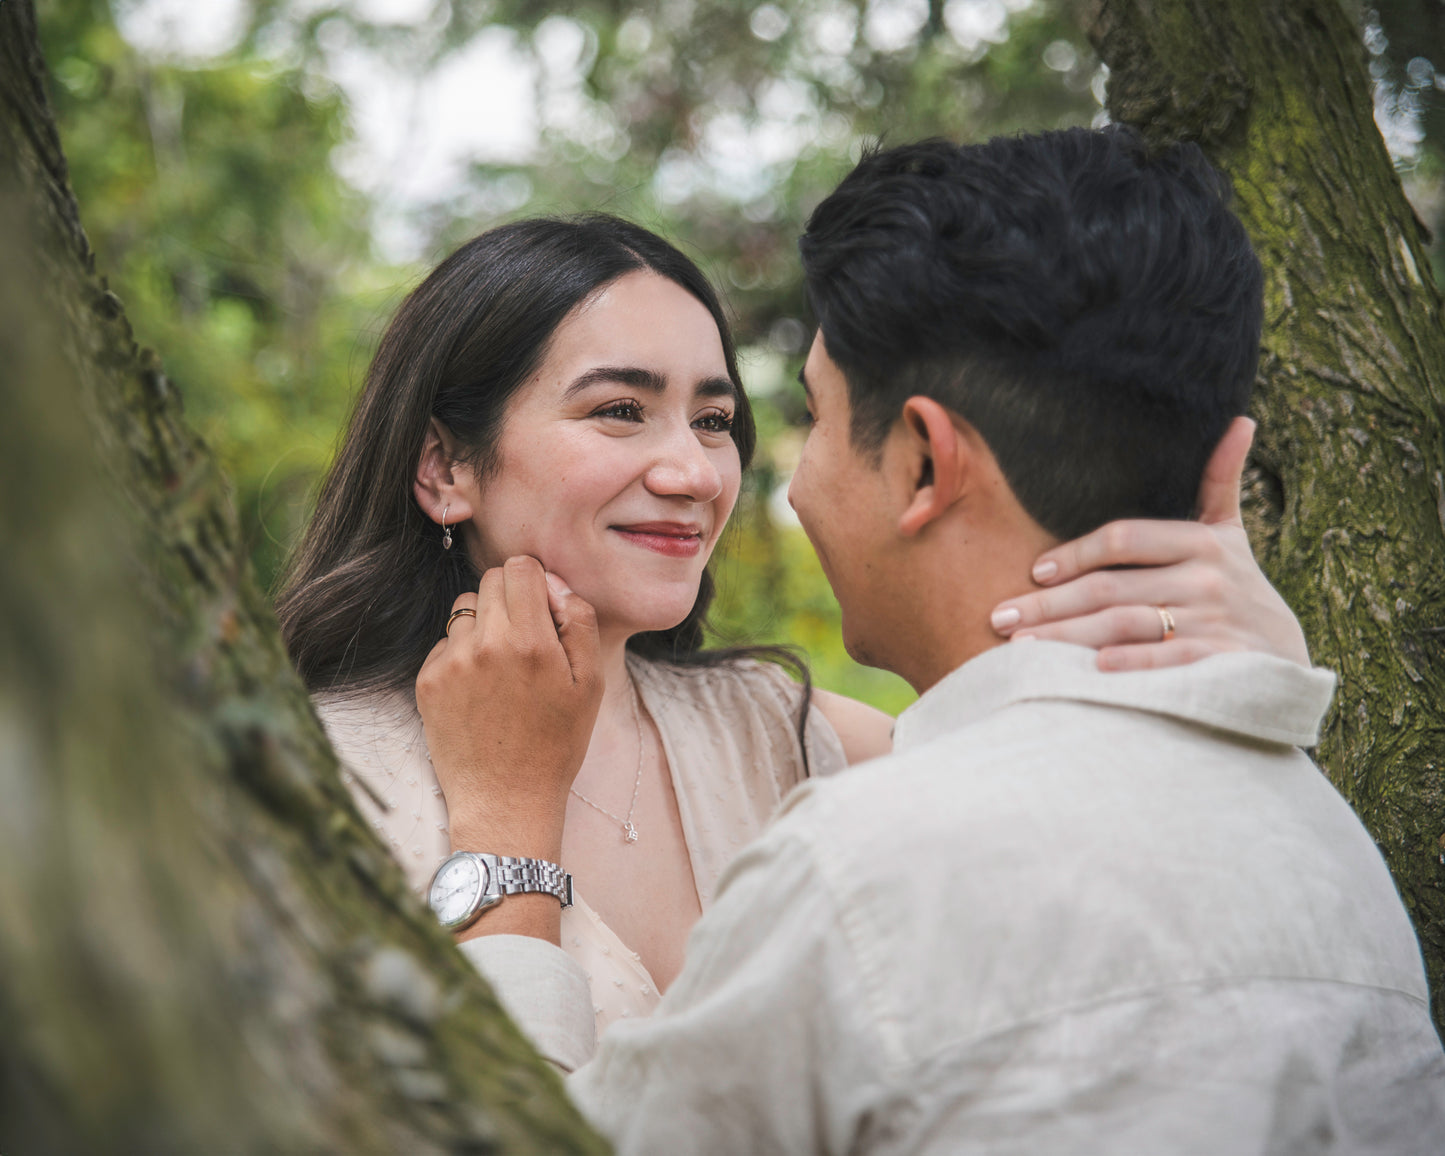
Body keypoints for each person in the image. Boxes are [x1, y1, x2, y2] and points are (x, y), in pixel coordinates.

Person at [424, 129, 1445, 1153]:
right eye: (618, 410)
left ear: (922, 463)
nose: (721, 475)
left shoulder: (858, 871)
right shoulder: (1323, 846)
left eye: (799, 418)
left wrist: (504, 854)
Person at [278, 213, 1308, 1035]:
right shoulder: (312, 775)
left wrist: (1259, 665)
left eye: (715, 420)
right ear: (444, 467)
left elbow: (1114, 843)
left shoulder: (781, 730)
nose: (691, 473)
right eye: (618, 411)